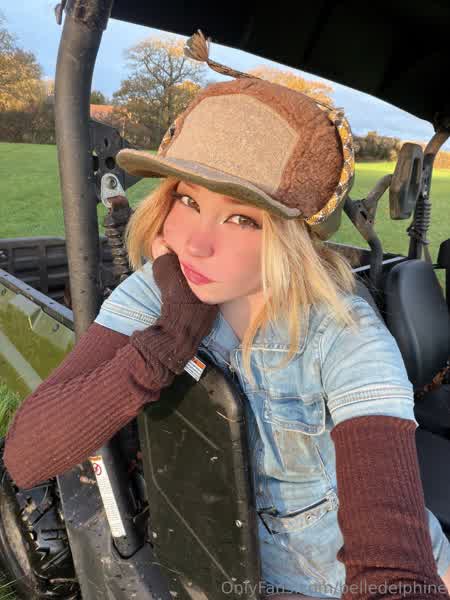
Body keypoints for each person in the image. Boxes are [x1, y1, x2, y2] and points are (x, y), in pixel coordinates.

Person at [4, 30, 450, 600]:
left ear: (292, 239)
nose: (195, 243)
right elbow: (28, 456)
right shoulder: (162, 289)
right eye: (188, 200)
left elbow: (394, 570)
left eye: (243, 219)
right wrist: (167, 340)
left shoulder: (346, 338)